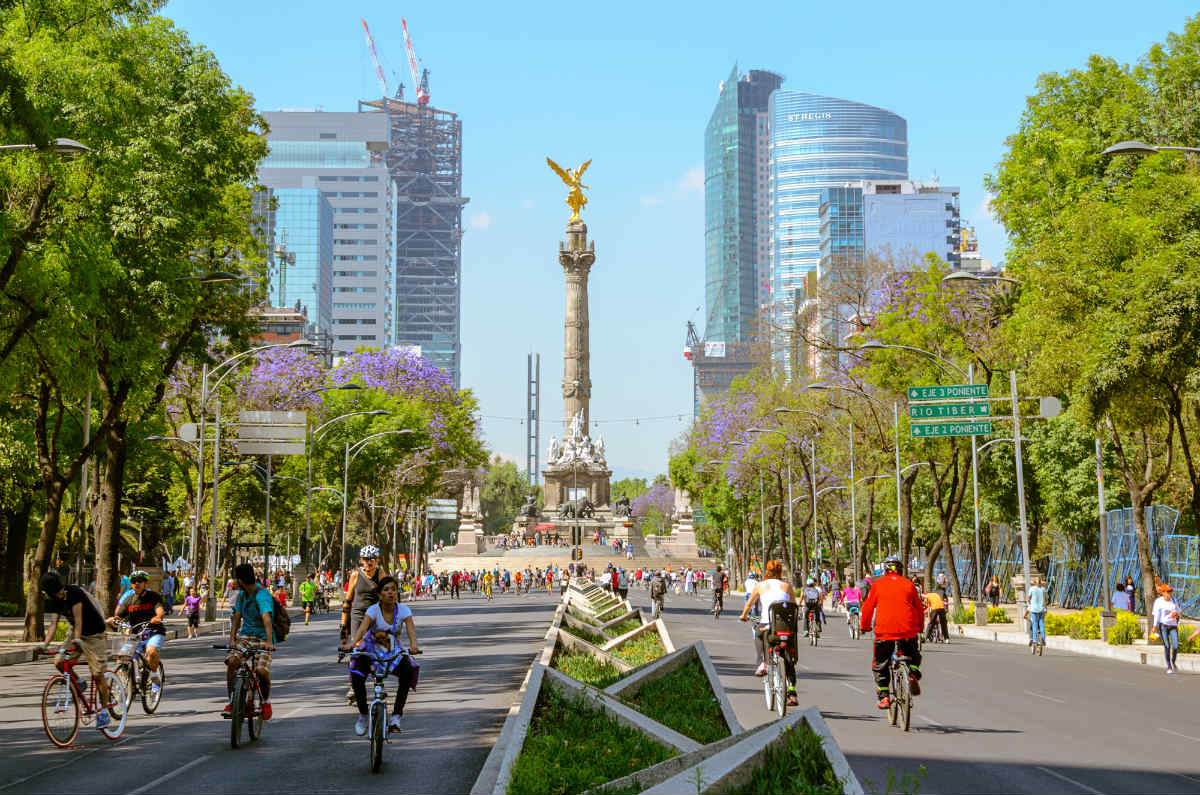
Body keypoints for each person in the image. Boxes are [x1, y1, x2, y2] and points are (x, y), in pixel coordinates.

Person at [340, 576, 421, 734]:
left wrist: (414, 646)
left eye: (393, 589)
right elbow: (362, 629)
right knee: (356, 673)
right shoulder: (373, 610)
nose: (390, 593)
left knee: (408, 670)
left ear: (397, 592)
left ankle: (396, 716)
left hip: (393, 650)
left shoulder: (404, 610)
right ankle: (363, 715)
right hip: (371, 649)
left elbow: (411, 631)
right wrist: (351, 644)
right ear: (380, 594)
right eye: (386, 590)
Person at [37, 572, 114, 728]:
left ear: (50, 589)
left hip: (94, 633)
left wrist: (78, 640)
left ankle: (104, 712)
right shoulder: (54, 600)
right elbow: (53, 625)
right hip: (75, 633)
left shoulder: (74, 592)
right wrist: (44, 645)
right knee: (59, 662)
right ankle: (79, 681)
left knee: (98, 673)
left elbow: (79, 620)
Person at [859, 555, 924, 710]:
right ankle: (913, 672)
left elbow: (867, 608)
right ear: (901, 570)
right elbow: (919, 609)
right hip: (907, 631)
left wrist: (864, 626)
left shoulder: (877, 585)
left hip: (884, 632)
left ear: (885, 570)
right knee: (914, 655)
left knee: (880, 664)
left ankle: (884, 697)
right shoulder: (909, 585)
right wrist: (920, 628)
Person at [739, 559, 798, 707]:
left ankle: (762, 664)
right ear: (780, 572)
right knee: (788, 657)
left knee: (758, 634)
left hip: (768, 627)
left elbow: (749, 604)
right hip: (786, 628)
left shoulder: (760, 586)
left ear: (766, 571)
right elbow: (793, 605)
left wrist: (744, 615)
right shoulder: (787, 586)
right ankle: (792, 692)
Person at [223, 563, 275, 720]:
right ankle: (232, 700)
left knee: (261, 670)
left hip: (263, 638)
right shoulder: (242, 596)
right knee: (232, 661)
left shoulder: (262, 594)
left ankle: (266, 701)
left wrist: (269, 642)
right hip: (245, 637)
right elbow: (237, 617)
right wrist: (232, 639)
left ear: (240, 580)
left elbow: (266, 619)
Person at [112, 570, 167, 691]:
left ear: (145, 584)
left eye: (140, 581)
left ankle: (154, 676)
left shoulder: (153, 596)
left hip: (154, 631)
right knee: (122, 657)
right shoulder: (129, 600)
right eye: (133, 581)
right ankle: (126, 681)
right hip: (136, 634)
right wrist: (112, 620)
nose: (136, 583)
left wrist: (158, 617)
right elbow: (118, 616)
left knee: (151, 651)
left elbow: (160, 609)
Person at [1152, 584, 1182, 673]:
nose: (1170, 593)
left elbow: (1179, 612)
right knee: (1167, 646)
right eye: (1168, 591)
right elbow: (1156, 615)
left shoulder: (1174, 600)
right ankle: (1169, 666)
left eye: (1170, 591)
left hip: (1173, 626)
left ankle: (1173, 662)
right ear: (1163, 593)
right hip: (1163, 626)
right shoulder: (1158, 602)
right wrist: (1154, 627)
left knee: (1176, 646)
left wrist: (1176, 615)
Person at [1026, 580, 1047, 649]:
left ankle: (1034, 640)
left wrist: (1030, 602)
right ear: (1041, 583)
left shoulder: (1031, 589)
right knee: (1041, 624)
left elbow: (1028, 598)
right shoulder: (1043, 589)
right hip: (1042, 609)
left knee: (1034, 624)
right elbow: (1046, 599)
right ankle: (1043, 640)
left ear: (1035, 583)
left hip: (1034, 610)